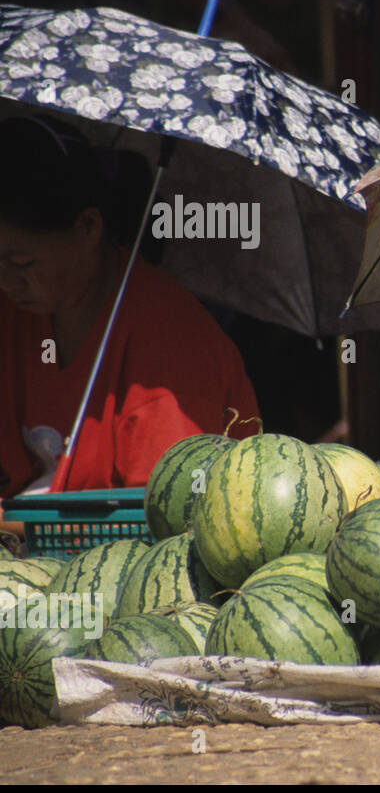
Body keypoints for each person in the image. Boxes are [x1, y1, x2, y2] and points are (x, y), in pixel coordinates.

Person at [0, 114, 260, 507]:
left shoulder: (171, 348)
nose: (7, 282)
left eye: (21, 264)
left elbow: (161, 518)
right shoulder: (13, 314)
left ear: (89, 227)